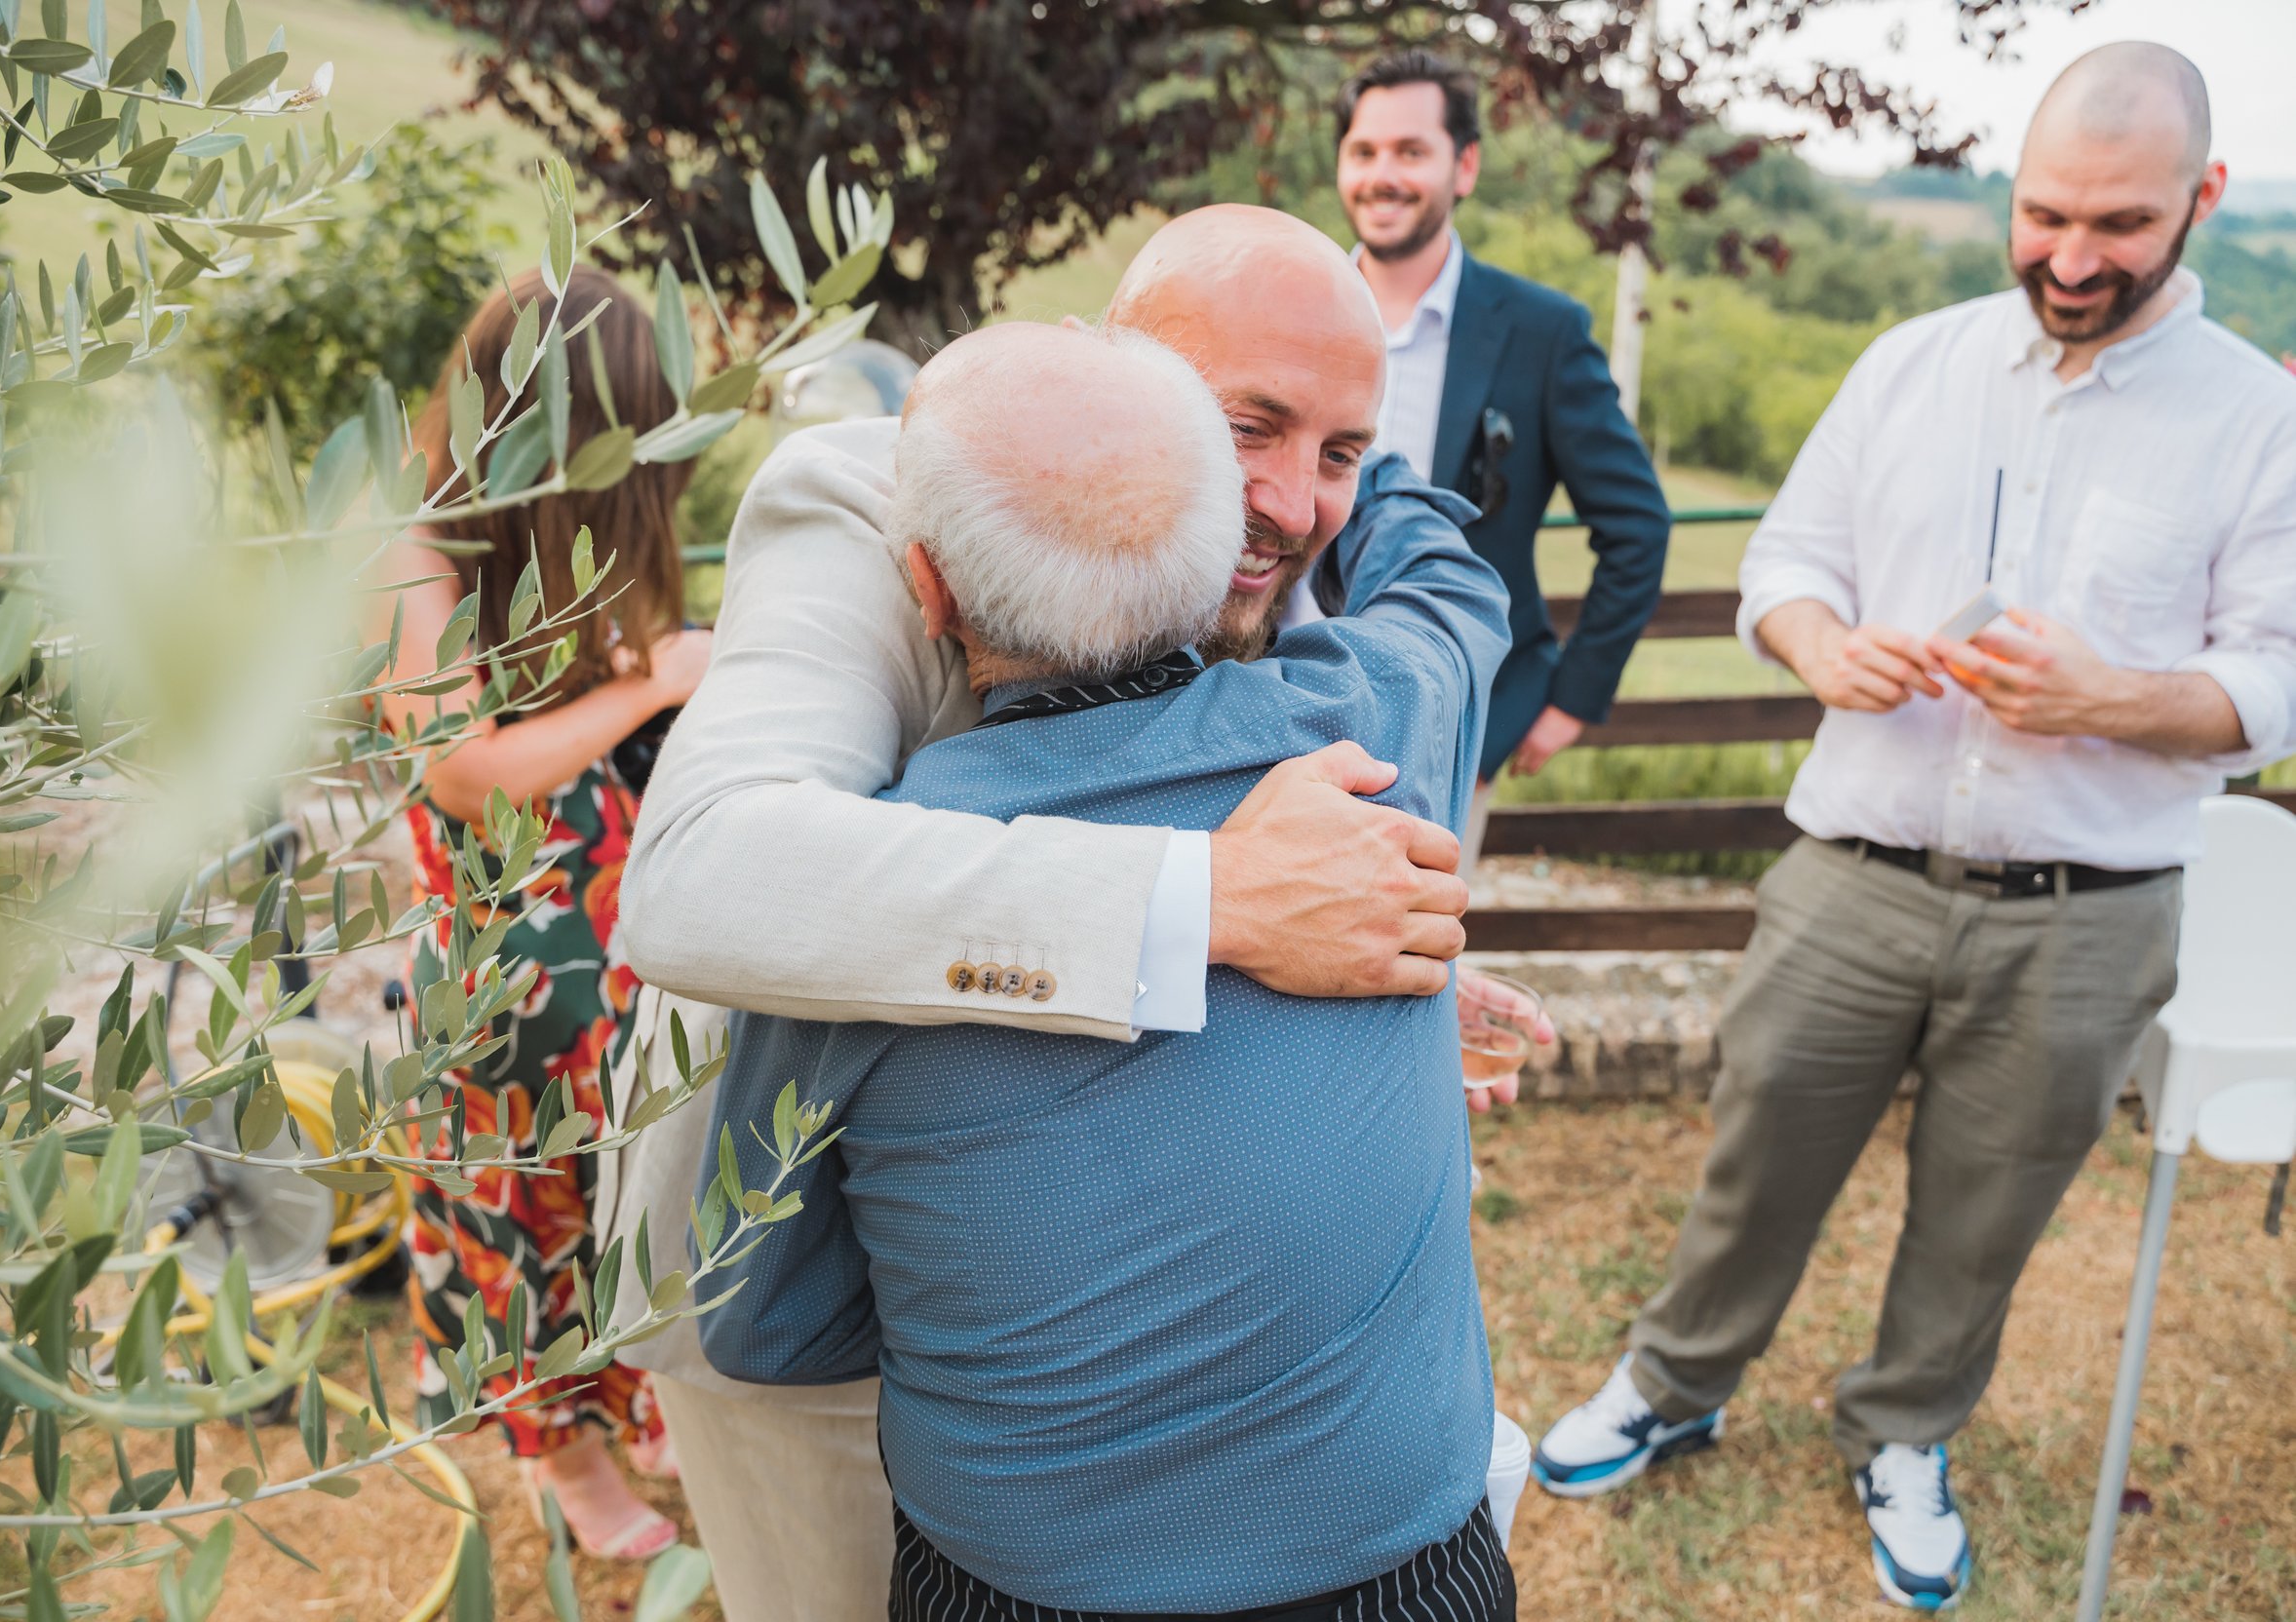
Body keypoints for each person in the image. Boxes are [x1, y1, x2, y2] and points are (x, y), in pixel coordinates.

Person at [602, 206, 1497, 1622]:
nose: (1292, 501)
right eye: (1248, 425)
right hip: (787, 1219)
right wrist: (1213, 904)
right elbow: (702, 874)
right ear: (1111, 368)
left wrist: (1373, 951)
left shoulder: (1242, 548)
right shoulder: (869, 497)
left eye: (1341, 454)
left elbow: (1225, 778)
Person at [1531, 43, 2296, 1611]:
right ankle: (1674, 1383)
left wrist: (2117, 697)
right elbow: (1785, 563)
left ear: (2203, 200)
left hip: (2092, 911)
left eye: (2122, 227)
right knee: (1754, 1159)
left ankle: (1905, 1434)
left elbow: (2276, 682)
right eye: (2044, 215)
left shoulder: (2263, 421)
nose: (2071, 261)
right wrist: (1818, 645)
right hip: (1850, 873)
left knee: (1987, 1204)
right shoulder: (1908, 361)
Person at [384, 266, 713, 1560]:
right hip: (498, 967)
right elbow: (461, 771)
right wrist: (647, 687)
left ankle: (636, 1401)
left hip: (618, 933)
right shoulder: (410, 545)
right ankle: (570, 1466)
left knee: (632, 1186)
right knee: (523, 1219)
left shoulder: (570, 538)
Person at [1331, 50, 1670, 803]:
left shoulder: (1543, 332)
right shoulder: (1285, 305)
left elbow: (1638, 527)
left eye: (1411, 151)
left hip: (1456, 730)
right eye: (1364, 151)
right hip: (1276, 712)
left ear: (1466, 166)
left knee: (1418, 927)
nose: (1382, 174)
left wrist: (1571, 700)